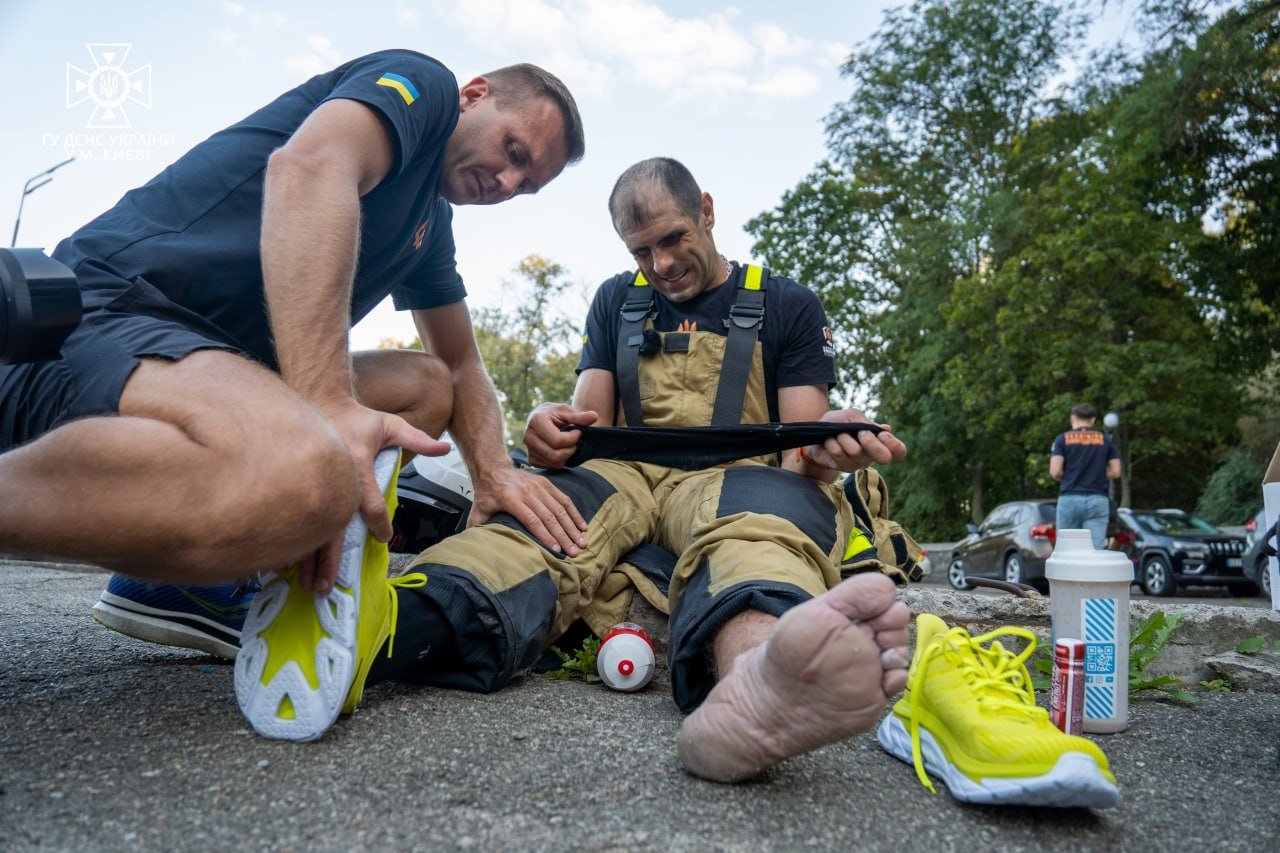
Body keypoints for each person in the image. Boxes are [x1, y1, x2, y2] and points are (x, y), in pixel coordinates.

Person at [312, 157, 913, 779]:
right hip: (625, 471)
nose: (661, 265)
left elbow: (798, 459)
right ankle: (368, 639)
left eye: (674, 238)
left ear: (706, 211)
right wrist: (548, 432)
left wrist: (824, 452)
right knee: (543, 523)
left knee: (758, 530)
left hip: (738, 472)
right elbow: (586, 430)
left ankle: (756, 685)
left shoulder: (787, 303)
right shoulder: (614, 303)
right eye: (641, 251)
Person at [0, 52, 589, 650]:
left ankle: (194, 581)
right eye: (514, 153)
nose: (508, 184)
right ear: (474, 95)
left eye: (527, 187)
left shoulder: (429, 227)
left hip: (203, 364)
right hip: (104, 312)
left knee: (426, 386)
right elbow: (310, 167)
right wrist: (327, 405)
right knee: (314, 471)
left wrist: (495, 473)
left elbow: (461, 364)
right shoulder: (424, 86)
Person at [1050, 403, 1120, 549]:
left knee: (1066, 548)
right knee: (1095, 550)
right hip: (1098, 499)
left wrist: (1070, 475)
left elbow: (1055, 471)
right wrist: (1098, 475)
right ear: (1093, 420)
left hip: (1070, 498)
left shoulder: (1062, 440)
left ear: (1072, 419)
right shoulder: (1105, 440)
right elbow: (1116, 471)